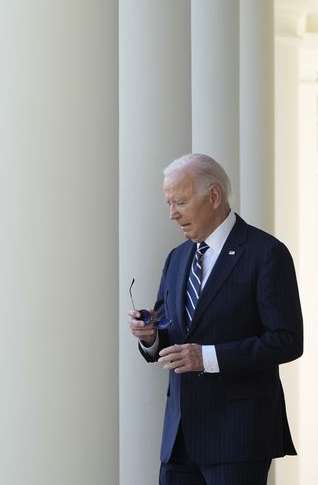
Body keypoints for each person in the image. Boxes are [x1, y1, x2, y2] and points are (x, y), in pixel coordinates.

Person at [128, 153, 303, 485]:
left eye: (179, 201)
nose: (172, 214)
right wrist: (149, 335)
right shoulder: (177, 258)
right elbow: (170, 331)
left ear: (214, 197)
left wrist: (206, 357)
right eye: (169, 203)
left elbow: (287, 340)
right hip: (179, 440)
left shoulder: (266, 253)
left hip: (238, 438)